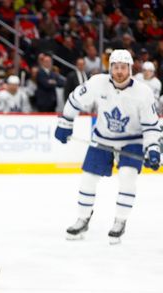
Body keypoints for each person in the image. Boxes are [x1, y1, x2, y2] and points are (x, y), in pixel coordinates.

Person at [55, 50, 161, 244]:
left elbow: (151, 126)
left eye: (123, 67)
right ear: (110, 68)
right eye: (115, 67)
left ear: (130, 69)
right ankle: (83, 218)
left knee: (127, 177)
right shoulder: (97, 83)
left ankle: (120, 221)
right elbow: (74, 99)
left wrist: (152, 148)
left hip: (133, 140)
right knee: (88, 178)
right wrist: (66, 122)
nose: (119, 71)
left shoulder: (143, 92)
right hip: (103, 139)